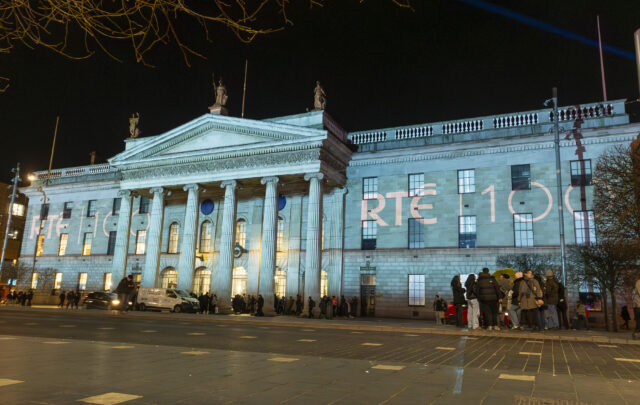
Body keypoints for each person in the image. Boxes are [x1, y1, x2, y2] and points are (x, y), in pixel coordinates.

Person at [633, 273, 640, 340]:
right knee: (638, 321)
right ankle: (636, 333)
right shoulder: (638, 282)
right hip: (638, 305)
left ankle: (636, 333)